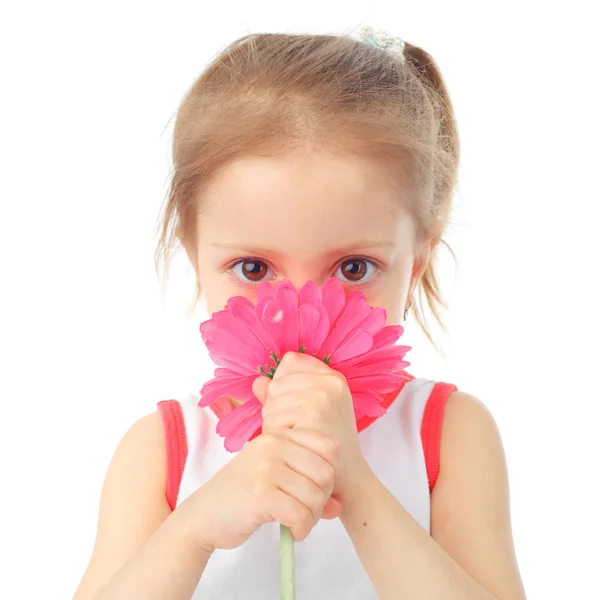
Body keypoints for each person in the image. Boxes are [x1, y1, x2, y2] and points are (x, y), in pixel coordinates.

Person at [74, 28, 526, 600]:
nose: (301, 310)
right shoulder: (163, 451)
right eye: (255, 269)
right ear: (196, 258)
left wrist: (356, 486)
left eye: (354, 268)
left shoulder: (449, 434)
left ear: (414, 266)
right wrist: (192, 529)